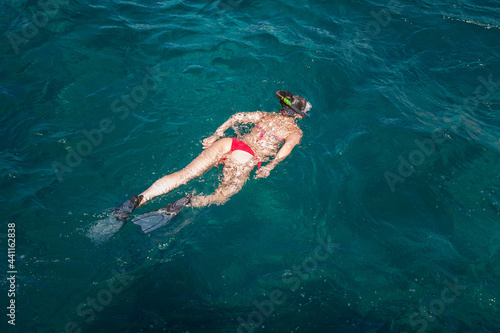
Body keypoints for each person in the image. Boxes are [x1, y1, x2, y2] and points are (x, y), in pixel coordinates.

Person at [114, 90, 312, 233]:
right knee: (223, 195)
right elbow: (286, 148)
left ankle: (139, 198)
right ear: (298, 115)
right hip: (246, 156)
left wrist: (215, 134)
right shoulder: (295, 131)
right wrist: (270, 166)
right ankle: (187, 202)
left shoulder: (265, 115)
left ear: (282, 107)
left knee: (184, 174)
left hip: (228, 143)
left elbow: (236, 117)